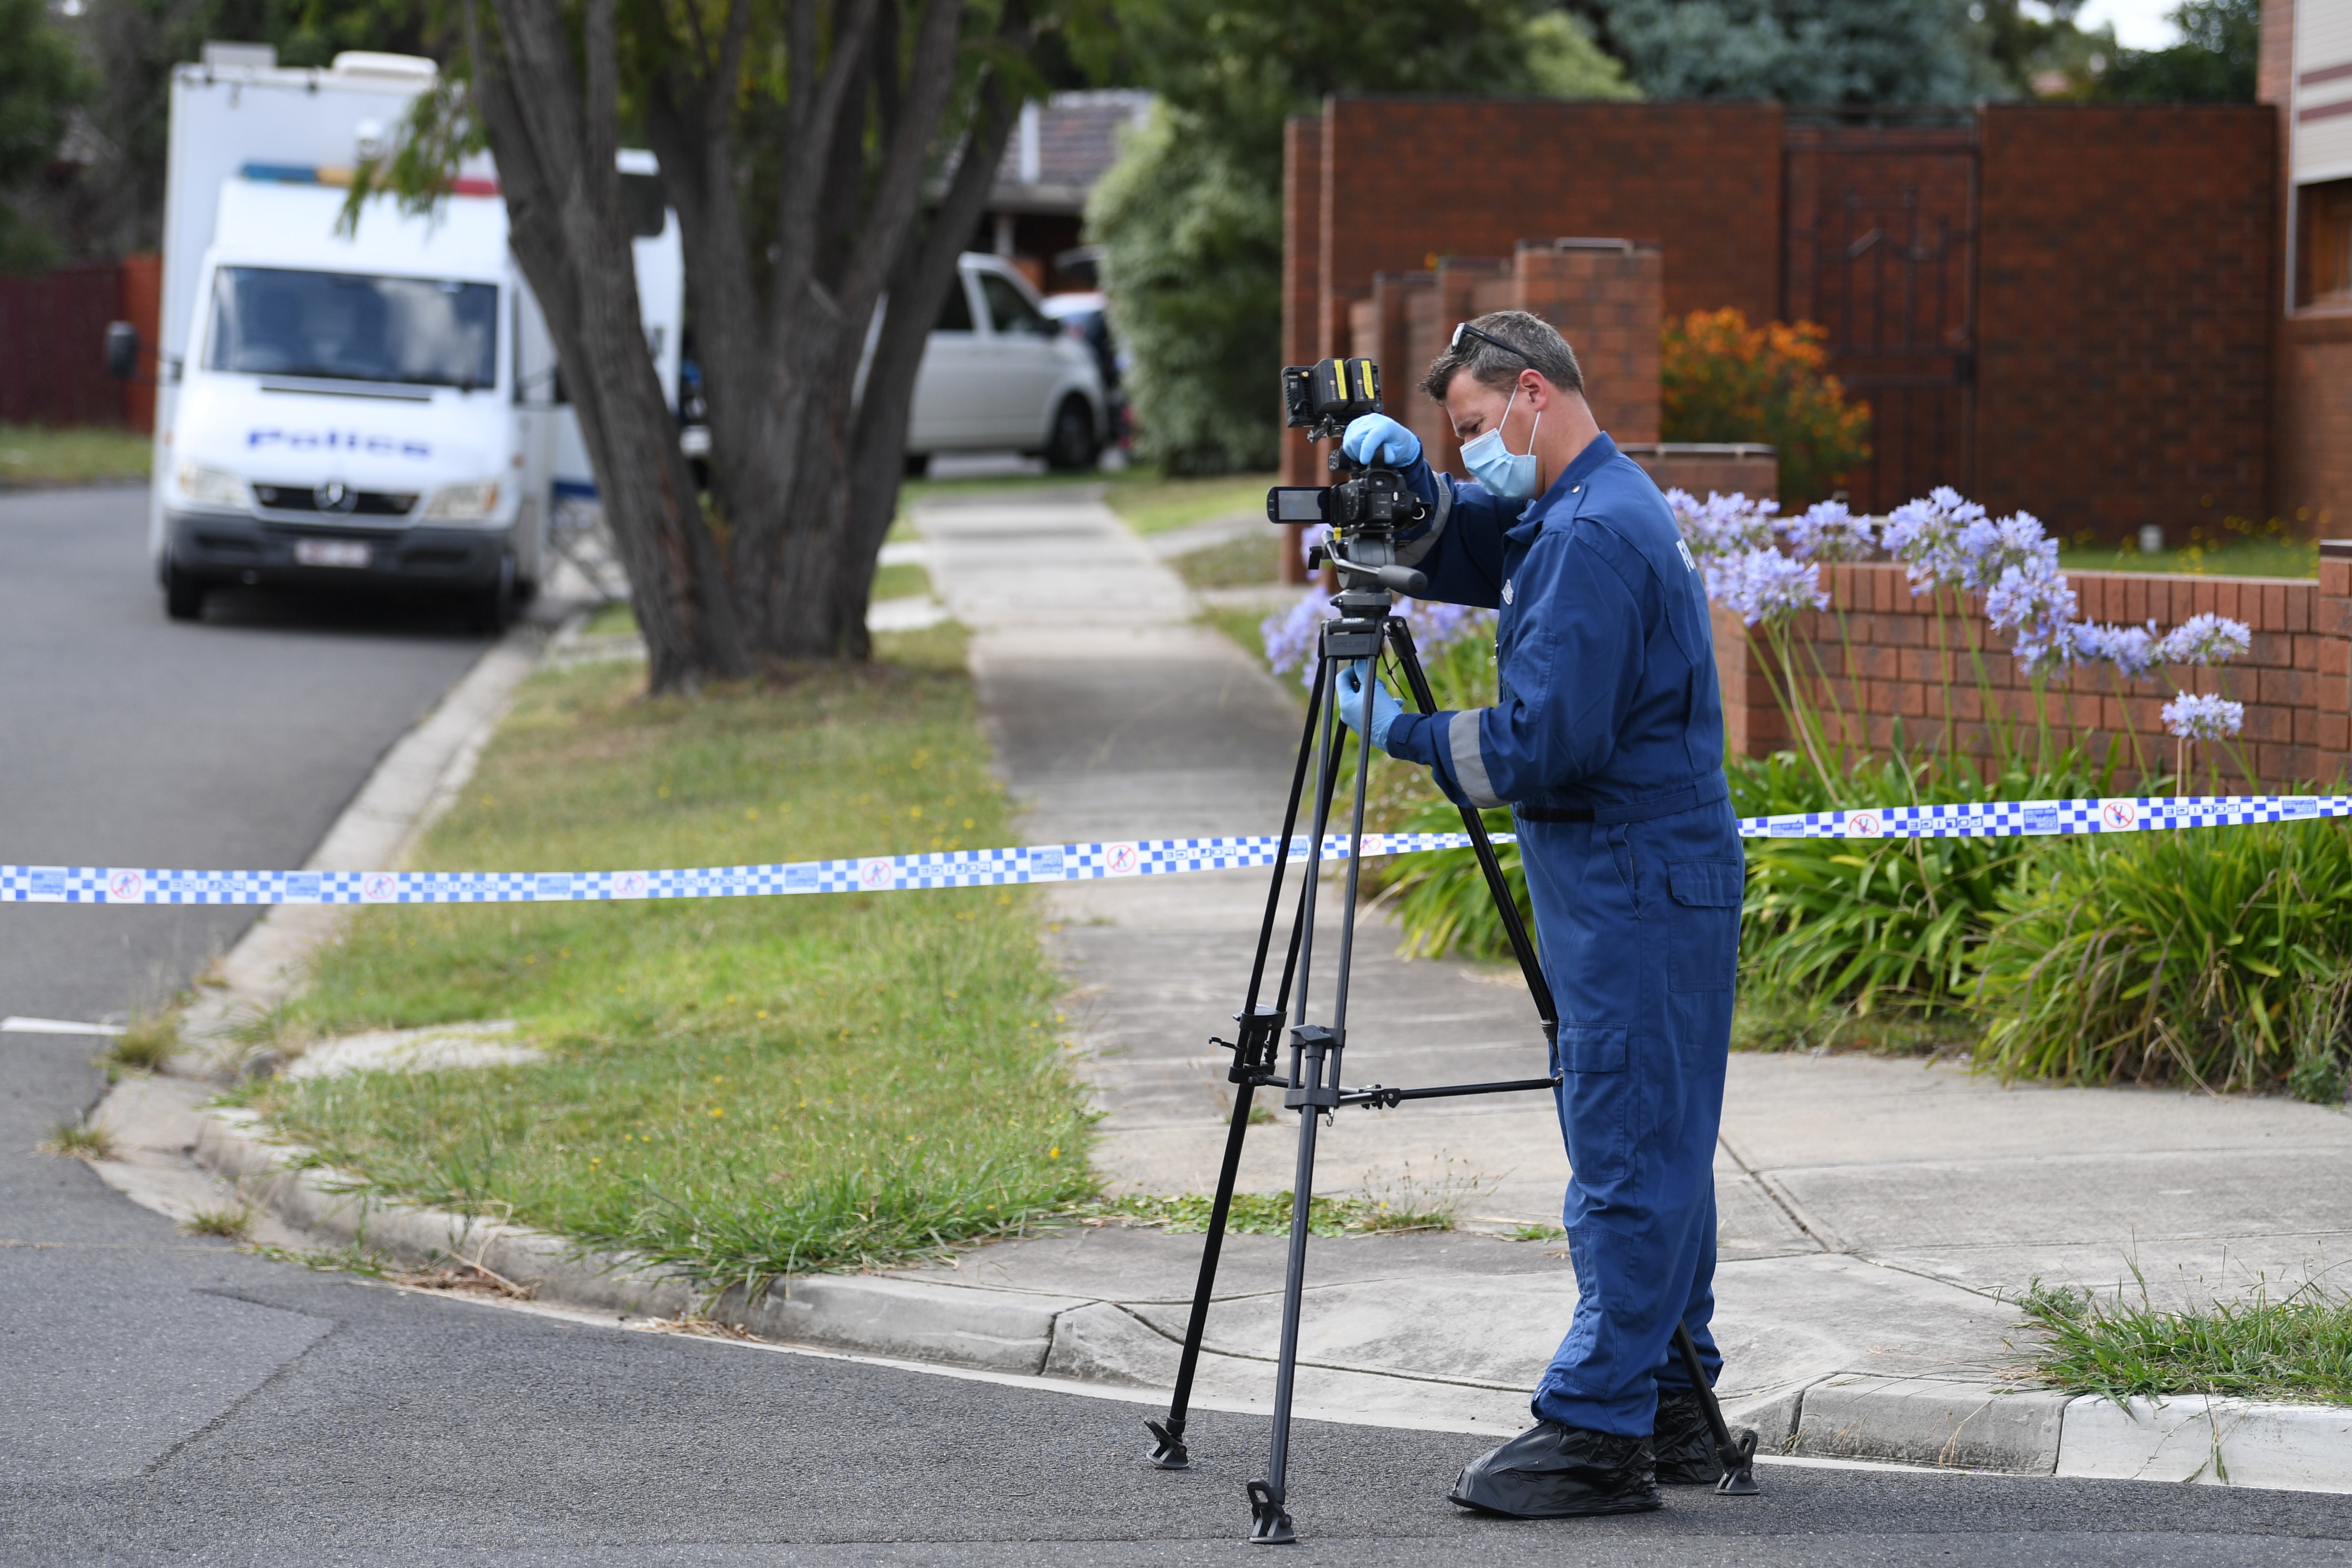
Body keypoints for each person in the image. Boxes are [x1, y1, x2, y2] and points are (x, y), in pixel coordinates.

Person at [1331, 310, 1747, 1519]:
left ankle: (1596, 1427)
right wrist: (1414, 503)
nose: (1467, 455)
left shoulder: (1594, 537)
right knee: (1655, 1139)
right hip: (1635, 880)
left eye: (1466, 431)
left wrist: (1397, 729)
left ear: (1528, 394)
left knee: (1626, 1146)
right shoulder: (1587, 508)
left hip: (1630, 882)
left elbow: (1541, 743)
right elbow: (1494, 540)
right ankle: (1670, 1394)